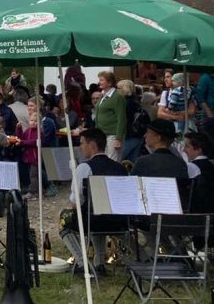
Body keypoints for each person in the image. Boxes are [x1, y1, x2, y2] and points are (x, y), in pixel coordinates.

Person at [58, 127, 126, 275]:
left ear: (93, 145)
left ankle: (83, 263)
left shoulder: (84, 168)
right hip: (119, 221)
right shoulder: (120, 168)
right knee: (95, 214)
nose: (80, 147)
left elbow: (76, 201)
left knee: (65, 219)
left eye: (82, 143)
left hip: (94, 220)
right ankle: (99, 263)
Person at [93, 71, 126, 161]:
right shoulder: (103, 95)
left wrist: (118, 138)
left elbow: (121, 118)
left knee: (112, 160)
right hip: (102, 135)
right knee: (104, 160)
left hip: (112, 135)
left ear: (110, 82)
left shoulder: (117, 97)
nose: (99, 82)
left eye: (102, 80)